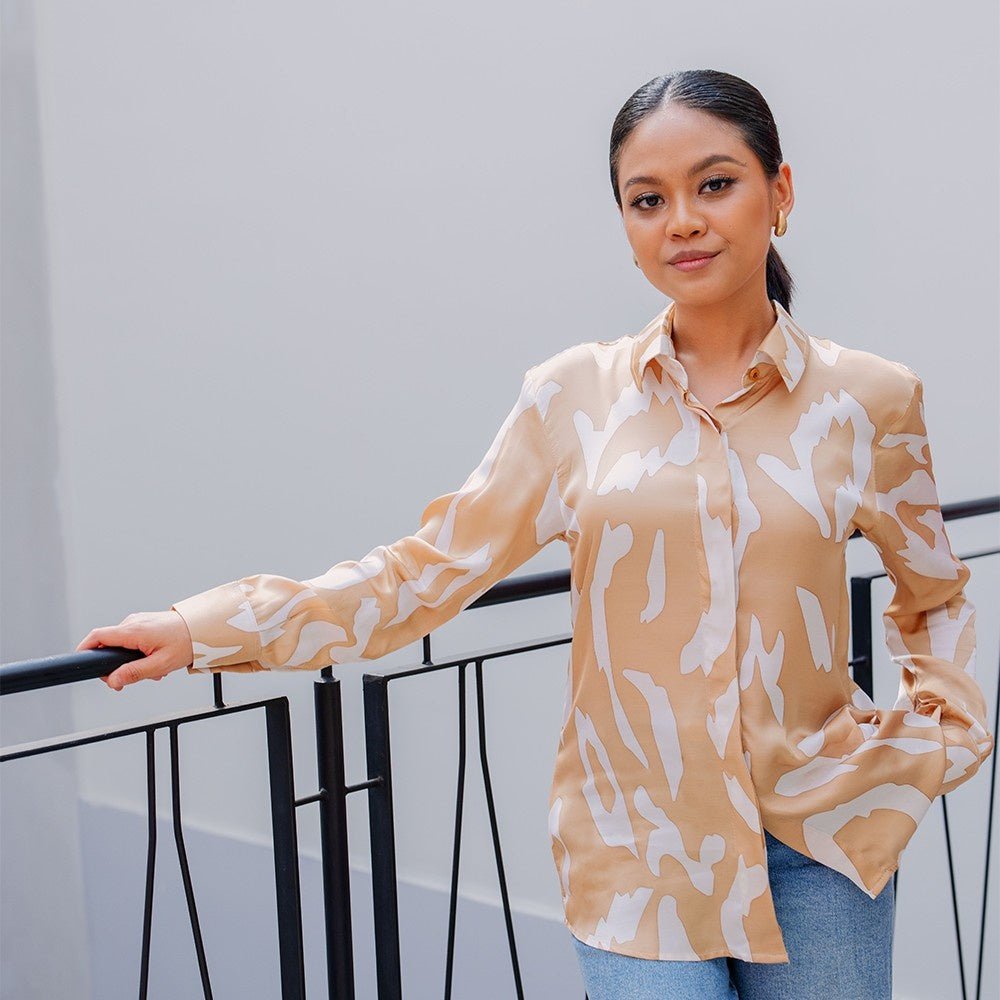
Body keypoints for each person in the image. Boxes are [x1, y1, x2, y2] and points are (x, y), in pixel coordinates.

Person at [76, 68, 993, 1000]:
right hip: (638, 857)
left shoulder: (869, 401)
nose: (681, 219)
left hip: (820, 843)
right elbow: (423, 577)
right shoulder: (572, 399)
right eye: (648, 199)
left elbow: (935, 591)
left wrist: (934, 744)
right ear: (628, 227)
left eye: (715, 184)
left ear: (780, 193)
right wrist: (207, 630)